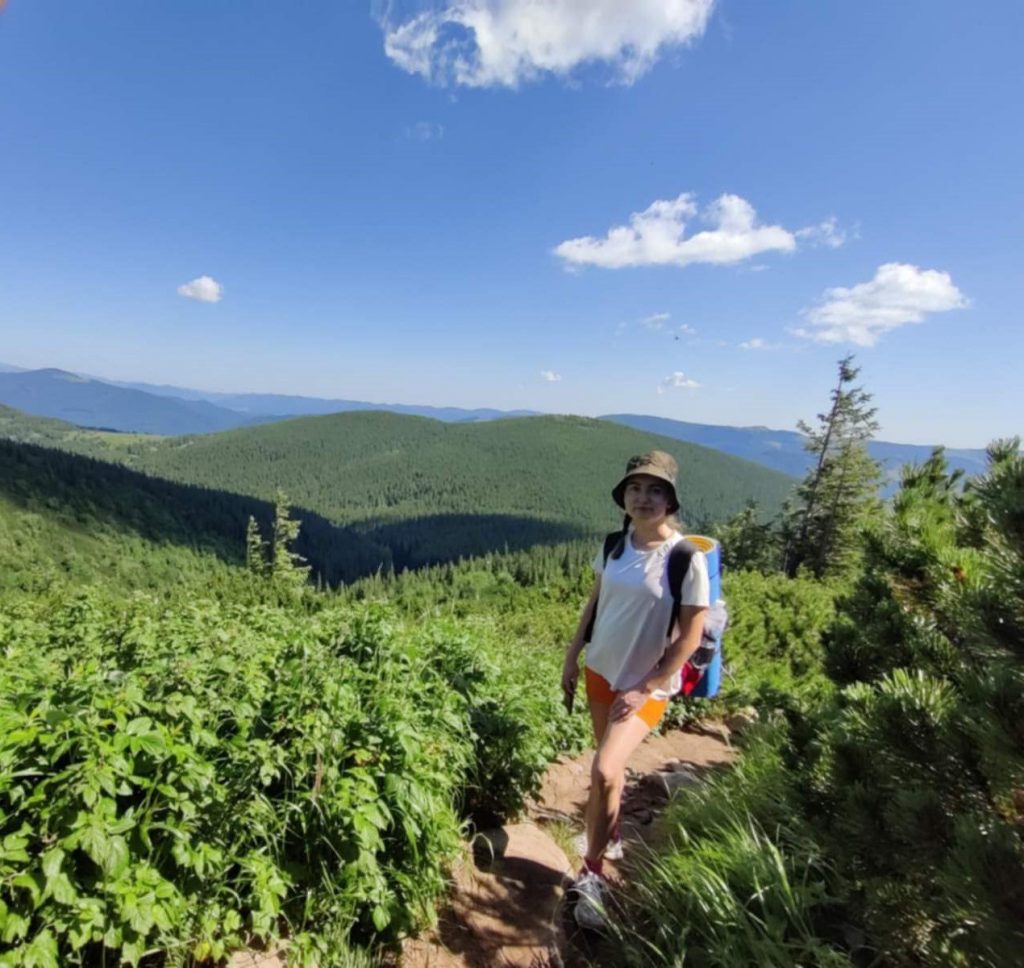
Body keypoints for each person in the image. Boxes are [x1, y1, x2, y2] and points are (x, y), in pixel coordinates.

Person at [562, 451, 709, 930]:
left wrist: (646, 686)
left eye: (654, 490)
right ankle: (614, 835)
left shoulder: (686, 558)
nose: (643, 498)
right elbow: (595, 603)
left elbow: (689, 636)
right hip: (600, 672)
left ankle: (594, 874)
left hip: (644, 687)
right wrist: (571, 657)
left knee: (604, 769)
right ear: (623, 498)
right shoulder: (613, 546)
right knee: (611, 767)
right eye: (634, 489)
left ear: (670, 500)